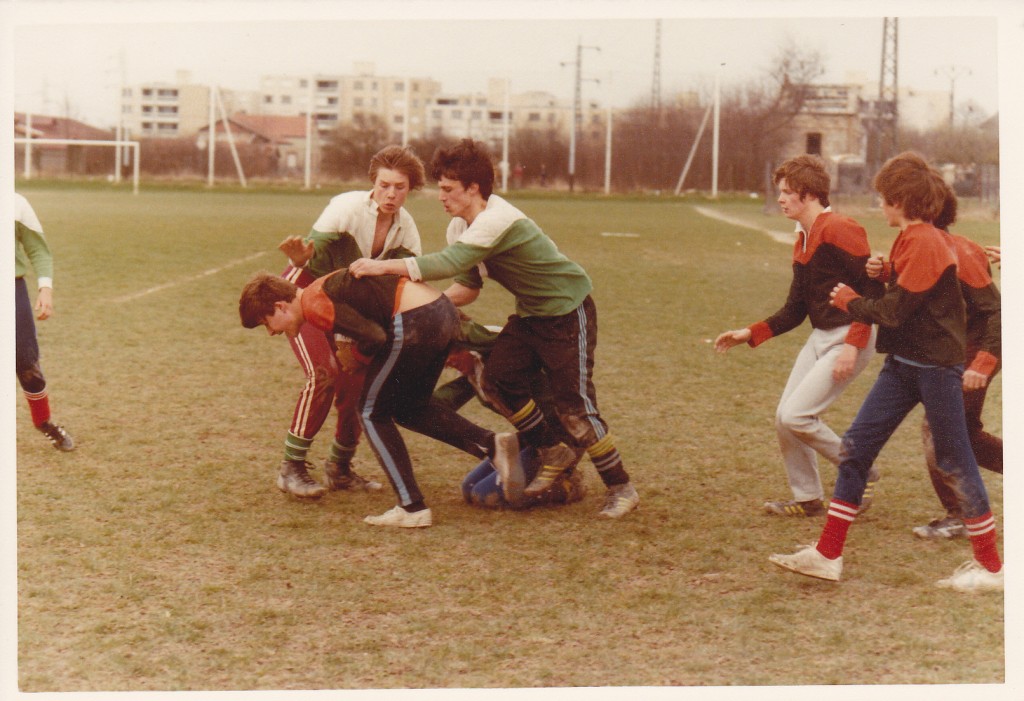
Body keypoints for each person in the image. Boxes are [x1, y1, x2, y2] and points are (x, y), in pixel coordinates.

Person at [348, 138, 639, 518]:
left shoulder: (496, 219)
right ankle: (551, 451)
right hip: (532, 315)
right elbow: (468, 287)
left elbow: (450, 263)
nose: (441, 197)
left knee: (575, 407)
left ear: (473, 189)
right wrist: (425, 311)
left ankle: (620, 486)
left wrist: (383, 267)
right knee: (498, 379)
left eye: (448, 189)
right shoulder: (460, 226)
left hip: (568, 311)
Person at [769, 152, 1003, 592]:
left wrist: (850, 301)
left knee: (955, 458)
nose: (879, 204)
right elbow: (913, 286)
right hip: (903, 365)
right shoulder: (911, 238)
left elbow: (894, 311)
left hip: (935, 369)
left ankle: (992, 569)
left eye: (883, 197)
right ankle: (827, 555)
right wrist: (887, 270)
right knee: (856, 449)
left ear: (900, 201)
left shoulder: (927, 240)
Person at [240, 269, 509, 528]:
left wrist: (356, 358)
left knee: (370, 411)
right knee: (409, 409)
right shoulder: (320, 291)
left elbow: (375, 337)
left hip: (418, 318)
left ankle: (412, 507)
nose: (271, 332)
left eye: (266, 323)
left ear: (280, 306)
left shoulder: (312, 302)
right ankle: (492, 444)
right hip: (443, 312)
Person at [714, 155, 880, 517]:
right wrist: (749, 333)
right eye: (781, 192)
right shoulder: (803, 237)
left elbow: (871, 292)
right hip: (821, 336)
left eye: (788, 192)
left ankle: (859, 467)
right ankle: (807, 499)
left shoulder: (840, 227)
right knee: (784, 419)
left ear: (810, 194)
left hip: (850, 336)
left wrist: (853, 346)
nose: (781, 199)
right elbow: (795, 309)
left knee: (797, 416)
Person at [271, 145, 425, 499]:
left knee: (357, 382)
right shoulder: (347, 207)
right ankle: (291, 468)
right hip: (303, 294)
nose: (390, 194)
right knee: (323, 373)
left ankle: (340, 468)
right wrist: (302, 258)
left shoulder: (406, 228)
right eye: (384, 185)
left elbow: (402, 283)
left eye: (399, 187)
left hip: (347, 307)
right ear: (373, 182)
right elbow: (312, 261)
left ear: (410, 189)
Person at [881, 183, 1001, 540]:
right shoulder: (919, 246)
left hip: (976, 348)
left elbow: (995, 312)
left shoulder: (959, 250)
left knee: (939, 426)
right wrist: (882, 273)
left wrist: (982, 363)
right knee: (965, 434)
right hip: (954, 349)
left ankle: (962, 515)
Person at [14, 193, 74, 451]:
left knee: (27, 363)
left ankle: (44, 422)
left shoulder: (15, 203)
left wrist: (45, 289)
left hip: (11, 291)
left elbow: (38, 249)